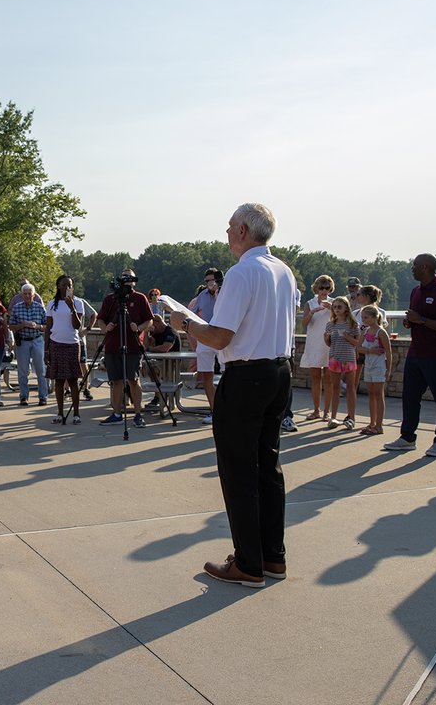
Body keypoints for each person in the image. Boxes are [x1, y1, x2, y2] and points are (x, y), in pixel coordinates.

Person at [170, 203, 297, 589]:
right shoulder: (283, 270)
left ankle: (247, 564)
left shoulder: (242, 273)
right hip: (279, 372)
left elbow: (220, 336)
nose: (226, 233)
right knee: (267, 468)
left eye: (229, 227)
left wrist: (185, 323)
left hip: (247, 377)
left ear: (243, 230)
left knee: (239, 472)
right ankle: (272, 557)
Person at [383, 253, 436, 457]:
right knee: (410, 397)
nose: (412, 268)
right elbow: (415, 318)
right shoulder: (416, 291)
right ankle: (407, 437)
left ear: (425, 267)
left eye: (414, 265)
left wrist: (422, 320)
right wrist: (411, 322)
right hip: (416, 353)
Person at [96, 269, 153, 427]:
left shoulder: (140, 298)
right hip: (113, 345)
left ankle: (137, 414)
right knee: (116, 381)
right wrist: (105, 328)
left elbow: (150, 321)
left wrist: (139, 327)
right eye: (124, 276)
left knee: (133, 380)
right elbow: (100, 319)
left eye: (129, 276)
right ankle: (116, 413)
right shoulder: (111, 299)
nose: (127, 279)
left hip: (133, 346)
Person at [45, 275, 85, 425]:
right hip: (56, 344)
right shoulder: (52, 304)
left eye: (70, 285)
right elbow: (48, 328)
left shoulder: (78, 303)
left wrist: (72, 308)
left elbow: (77, 325)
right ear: (58, 286)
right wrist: (46, 350)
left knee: (73, 380)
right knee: (59, 381)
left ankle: (76, 413)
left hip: (72, 344)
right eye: (64, 285)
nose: (67, 288)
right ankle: (60, 413)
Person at [350, 304, 391, 436]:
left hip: (379, 366)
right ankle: (372, 422)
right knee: (371, 394)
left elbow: (389, 353)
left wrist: (388, 370)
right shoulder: (365, 331)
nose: (364, 320)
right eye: (362, 317)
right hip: (369, 365)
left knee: (379, 394)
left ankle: (379, 425)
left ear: (374, 317)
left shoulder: (381, 332)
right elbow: (358, 347)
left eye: (366, 317)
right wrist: (370, 351)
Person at [189, 268, 223, 424]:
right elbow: (191, 317)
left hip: (222, 338)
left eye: (213, 280)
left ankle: (228, 409)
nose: (211, 283)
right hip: (204, 339)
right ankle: (214, 411)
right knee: (206, 376)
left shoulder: (226, 294)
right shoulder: (200, 297)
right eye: (208, 281)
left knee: (228, 374)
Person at [299, 275, 334, 421]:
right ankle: (316, 410)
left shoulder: (335, 303)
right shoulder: (310, 303)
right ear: (316, 288)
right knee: (315, 377)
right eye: (321, 288)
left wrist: (332, 309)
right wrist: (313, 312)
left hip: (329, 342)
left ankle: (327, 412)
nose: (324, 291)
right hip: (314, 342)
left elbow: (344, 319)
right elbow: (304, 324)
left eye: (327, 288)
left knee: (329, 378)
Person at [323, 296, 360, 429]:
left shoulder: (353, 324)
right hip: (334, 357)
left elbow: (357, 343)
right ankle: (333, 417)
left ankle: (351, 417)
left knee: (350, 388)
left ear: (346, 309)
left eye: (340, 307)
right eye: (335, 307)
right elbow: (329, 344)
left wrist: (347, 336)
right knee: (335, 388)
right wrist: (326, 338)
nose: (337, 309)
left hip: (349, 358)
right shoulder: (330, 324)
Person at [8, 284, 48, 407]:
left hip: (37, 340)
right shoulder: (16, 308)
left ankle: (43, 397)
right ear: (21, 295)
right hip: (23, 340)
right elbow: (11, 326)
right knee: (23, 370)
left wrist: (37, 326)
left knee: (41, 370)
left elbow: (48, 326)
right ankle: (24, 396)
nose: (27, 296)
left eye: (29, 293)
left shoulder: (40, 308)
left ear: (34, 295)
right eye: (24, 293)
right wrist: (22, 325)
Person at [143, 313, 182, 411]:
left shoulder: (170, 332)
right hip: (160, 361)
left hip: (172, 363)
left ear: (158, 322)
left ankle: (162, 397)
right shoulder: (156, 332)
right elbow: (146, 345)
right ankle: (159, 396)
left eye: (153, 326)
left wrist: (150, 349)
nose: (153, 329)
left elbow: (165, 348)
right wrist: (146, 332)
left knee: (154, 370)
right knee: (149, 369)